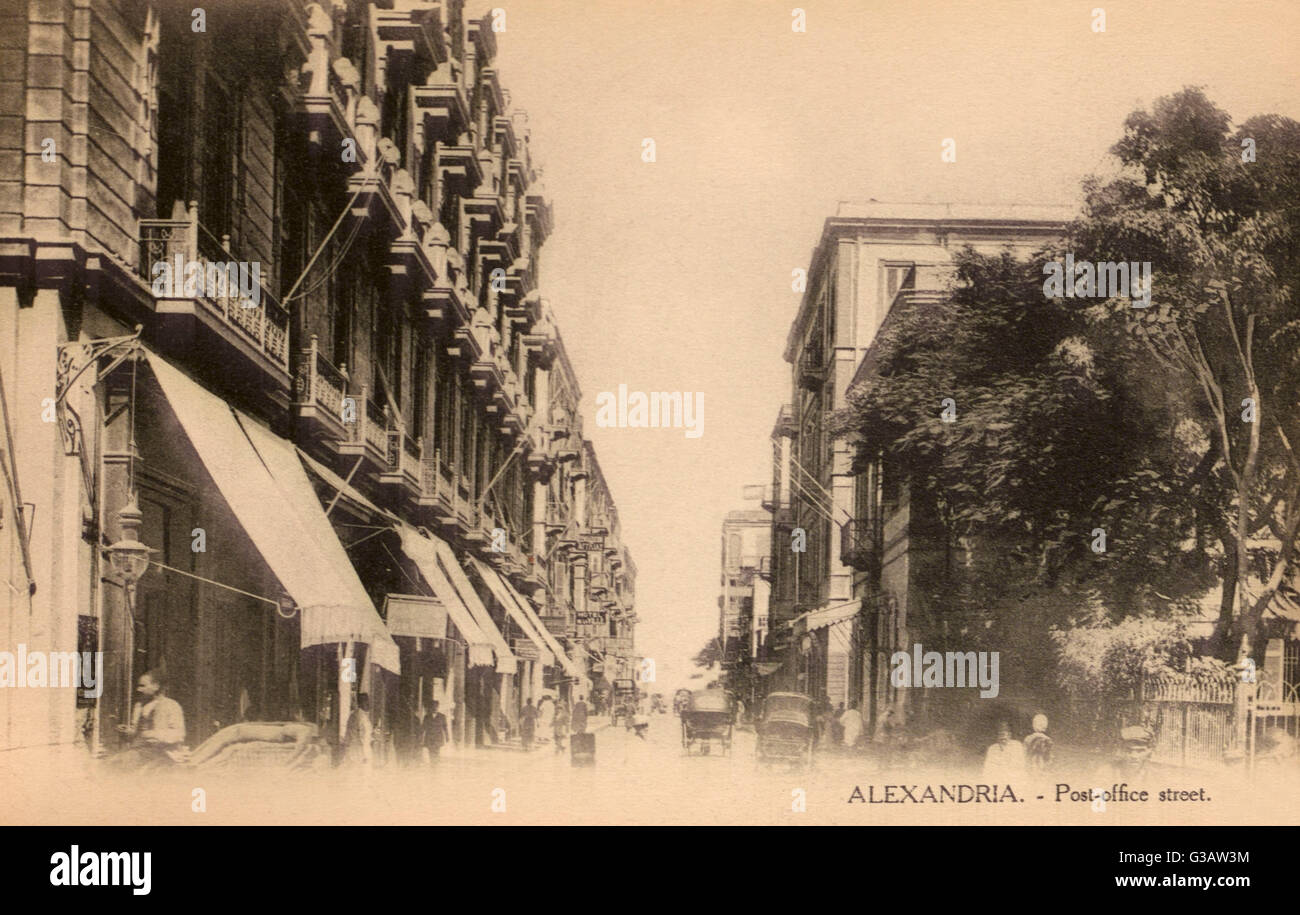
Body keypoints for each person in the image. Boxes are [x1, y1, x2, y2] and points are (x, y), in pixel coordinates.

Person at [111, 669, 186, 770]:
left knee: (125, 761)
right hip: (140, 751)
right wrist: (129, 731)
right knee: (115, 761)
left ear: (156, 686)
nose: (139, 689)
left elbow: (179, 734)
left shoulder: (171, 705)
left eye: (143, 686)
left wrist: (154, 734)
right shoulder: (140, 706)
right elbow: (137, 734)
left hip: (163, 753)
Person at [342, 693, 374, 768]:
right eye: (366, 702)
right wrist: (365, 755)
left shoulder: (353, 715)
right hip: (360, 751)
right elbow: (363, 737)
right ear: (361, 703)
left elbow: (348, 735)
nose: (368, 704)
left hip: (352, 749)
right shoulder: (361, 717)